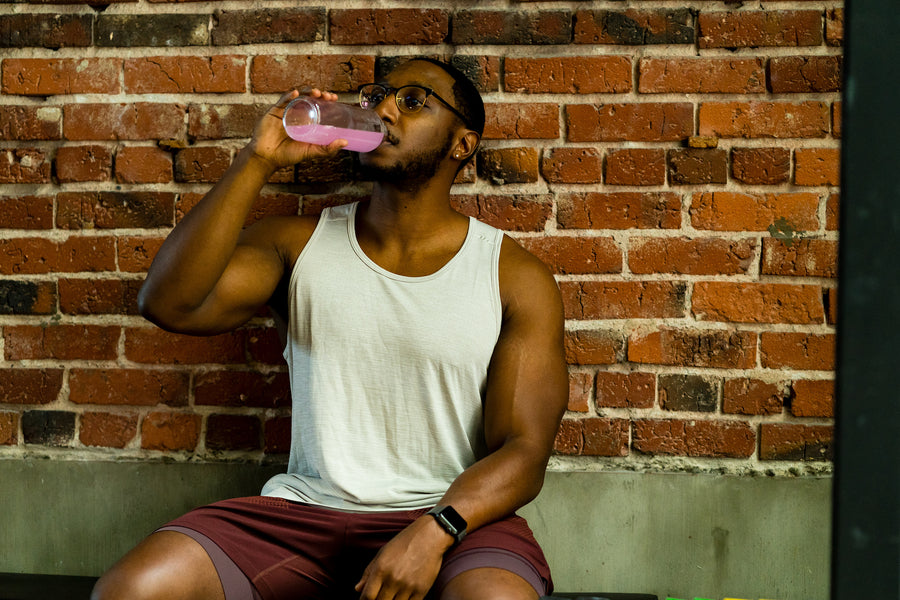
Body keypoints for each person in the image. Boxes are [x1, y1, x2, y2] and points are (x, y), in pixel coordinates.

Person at [92, 57, 568, 600]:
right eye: (377, 95)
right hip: (302, 515)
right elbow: (168, 304)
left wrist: (436, 532)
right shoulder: (295, 245)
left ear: (462, 144)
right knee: (133, 590)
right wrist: (257, 161)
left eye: (413, 101)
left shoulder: (512, 276)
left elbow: (525, 450)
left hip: (449, 517)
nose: (384, 107)